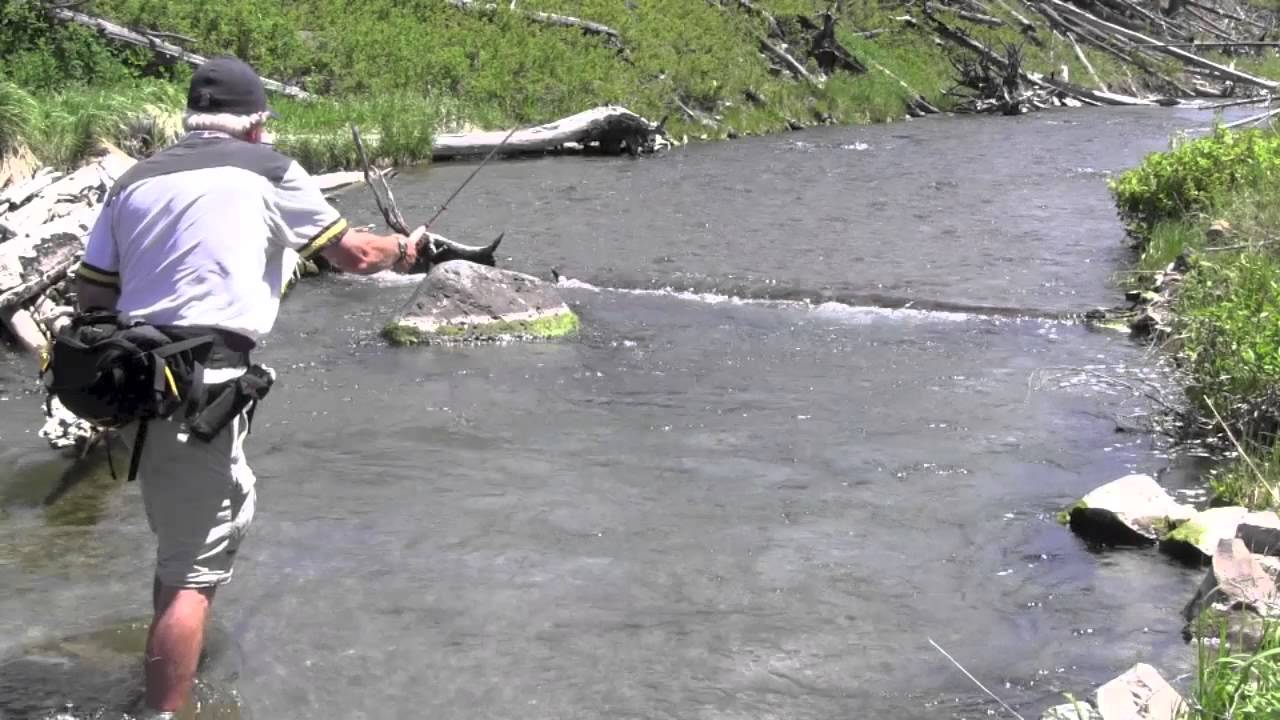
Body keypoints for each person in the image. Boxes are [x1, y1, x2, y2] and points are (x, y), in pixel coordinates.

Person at [73, 55, 425, 719]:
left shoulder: (135, 180)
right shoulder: (269, 169)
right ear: (258, 123)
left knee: (186, 543)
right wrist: (404, 250)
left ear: (192, 121)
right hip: (200, 387)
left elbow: (92, 291)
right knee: (191, 575)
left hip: (131, 390)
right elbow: (352, 255)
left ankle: (166, 678)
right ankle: (163, 711)